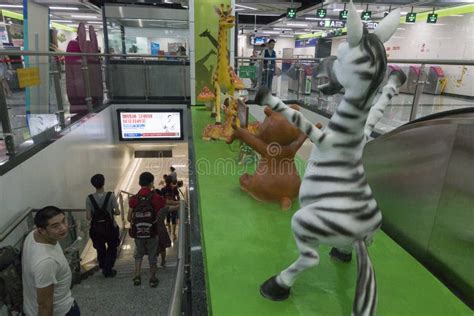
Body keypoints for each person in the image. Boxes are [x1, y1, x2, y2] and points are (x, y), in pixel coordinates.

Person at [22, 206, 80, 316]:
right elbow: (45, 306)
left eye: (63, 221)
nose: (63, 228)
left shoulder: (33, 235)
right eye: (55, 226)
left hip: (31, 308)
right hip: (61, 312)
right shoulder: (46, 263)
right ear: (41, 230)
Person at [128, 172, 165, 288]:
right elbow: (160, 215)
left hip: (138, 233)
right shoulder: (156, 198)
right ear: (151, 183)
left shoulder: (133, 199)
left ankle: (137, 276)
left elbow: (129, 218)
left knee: (138, 254)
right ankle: (153, 279)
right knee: (152, 255)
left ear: (139, 183)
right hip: (152, 232)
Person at [85, 174, 120, 278]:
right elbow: (117, 212)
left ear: (93, 185)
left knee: (100, 249)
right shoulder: (111, 195)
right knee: (112, 248)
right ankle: (108, 268)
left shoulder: (89, 198)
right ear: (103, 182)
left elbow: (88, 217)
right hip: (110, 228)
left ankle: (103, 266)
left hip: (97, 229)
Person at [161, 175, 180, 240]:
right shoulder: (174, 188)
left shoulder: (163, 189)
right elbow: (177, 197)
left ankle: (169, 229)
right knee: (174, 219)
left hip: (166, 206)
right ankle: (174, 233)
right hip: (174, 205)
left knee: (168, 218)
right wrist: (178, 202)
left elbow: (162, 198)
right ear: (171, 181)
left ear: (166, 181)